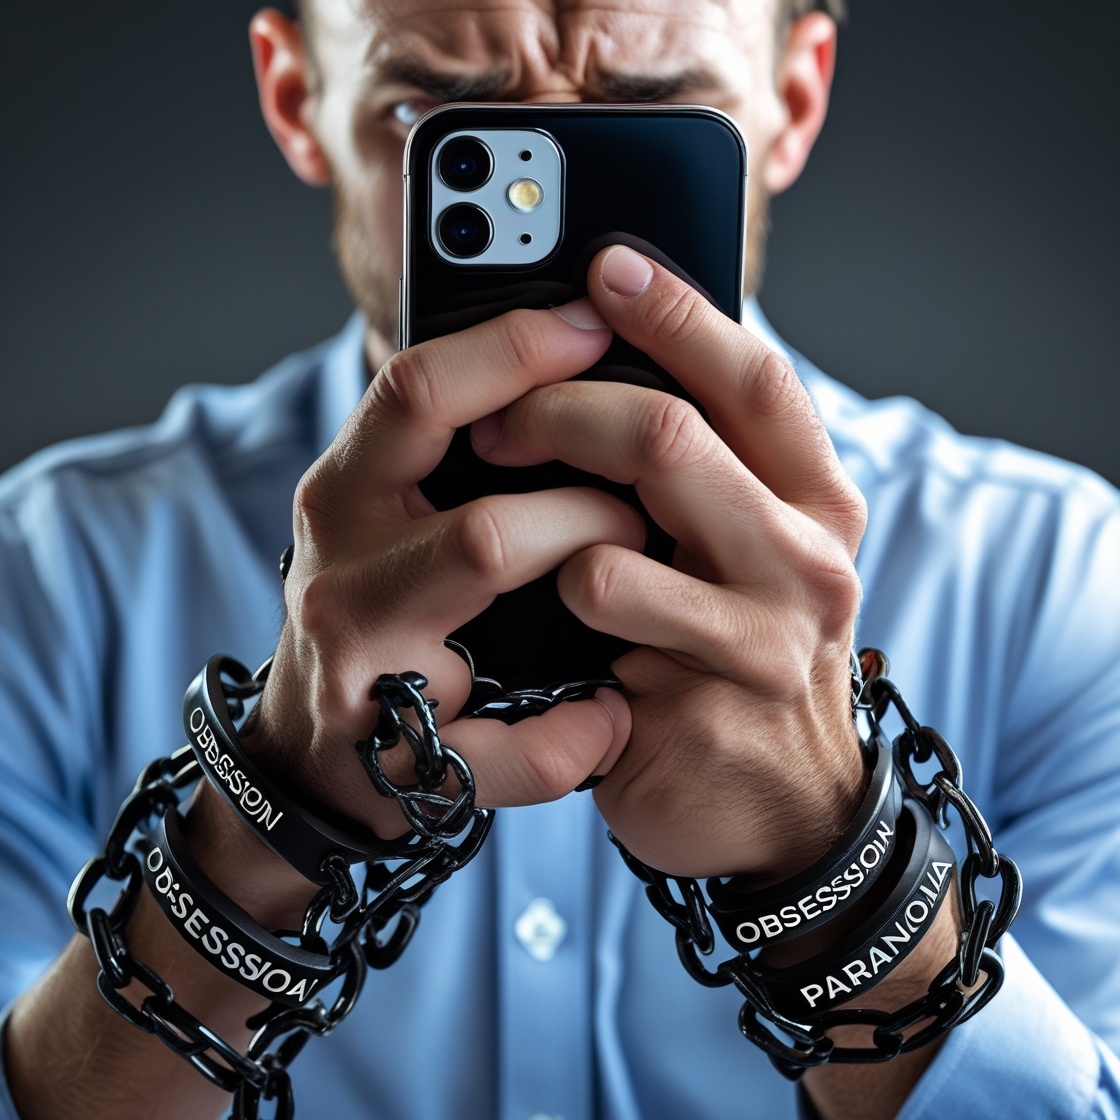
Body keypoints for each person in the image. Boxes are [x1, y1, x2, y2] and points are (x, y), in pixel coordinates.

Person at [0, 1, 1118, 1118]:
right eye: (440, 109)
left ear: (795, 96)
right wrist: (261, 822)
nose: (561, 213)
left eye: (653, 111)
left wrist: (837, 868)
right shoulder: (49, 576)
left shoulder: (1057, 583)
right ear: (298, 98)